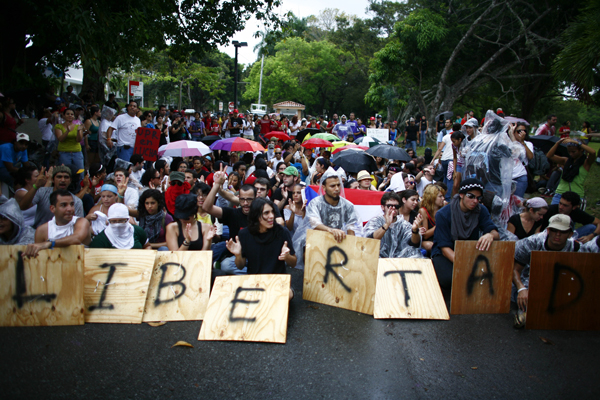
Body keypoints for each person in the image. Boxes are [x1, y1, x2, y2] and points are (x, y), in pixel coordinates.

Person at [512, 214, 580, 327]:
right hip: (530, 283)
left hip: (560, 284)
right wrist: (521, 288)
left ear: (570, 234)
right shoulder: (531, 243)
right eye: (554, 230)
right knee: (531, 311)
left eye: (562, 231)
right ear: (548, 230)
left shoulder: (576, 248)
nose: (557, 234)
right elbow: (514, 269)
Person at [431, 178, 499, 289]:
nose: (475, 201)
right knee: (450, 278)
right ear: (461, 195)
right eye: (471, 196)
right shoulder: (444, 214)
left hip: (471, 250)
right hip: (447, 252)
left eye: (478, 198)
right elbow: (444, 247)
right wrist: (464, 265)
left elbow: (495, 233)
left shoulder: (481, 210)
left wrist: (490, 234)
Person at [203, 169, 256, 275]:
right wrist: (217, 185)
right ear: (238, 199)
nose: (245, 203)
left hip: (257, 256)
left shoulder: (262, 214)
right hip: (237, 257)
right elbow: (207, 207)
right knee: (226, 265)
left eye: (249, 200)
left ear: (255, 199)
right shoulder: (233, 213)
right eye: (242, 200)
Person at [227, 197, 296, 275]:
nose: (272, 216)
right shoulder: (244, 234)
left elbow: (293, 263)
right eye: (266, 213)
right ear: (256, 215)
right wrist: (238, 255)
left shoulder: (282, 232)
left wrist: (287, 257)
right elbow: (240, 266)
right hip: (255, 280)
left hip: (277, 280)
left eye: (272, 212)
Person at [23, 189, 91, 257]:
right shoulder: (42, 230)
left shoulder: (82, 222)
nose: (70, 209)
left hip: (80, 266)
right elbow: (38, 257)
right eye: (64, 205)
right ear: (52, 208)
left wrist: (50, 243)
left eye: (72, 204)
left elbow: (76, 239)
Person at [19, 165, 85, 228]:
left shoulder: (76, 201)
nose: (63, 180)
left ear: (70, 181)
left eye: (66, 177)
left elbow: (78, 226)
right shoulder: (42, 192)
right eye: (59, 177)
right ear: (53, 179)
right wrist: (36, 186)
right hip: (39, 234)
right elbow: (22, 206)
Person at [305, 167, 359, 242]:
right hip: (318, 242)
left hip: (340, 243)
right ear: (324, 187)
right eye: (332, 186)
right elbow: (314, 223)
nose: (337, 189)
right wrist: (331, 230)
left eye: (338, 185)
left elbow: (351, 230)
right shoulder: (315, 203)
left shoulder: (348, 205)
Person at [546, 138, 596, 205]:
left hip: (576, 194)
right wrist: (557, 143)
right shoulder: (566, 160)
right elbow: (549, 156)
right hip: (560, 193)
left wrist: (578, 143)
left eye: (573, 151)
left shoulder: (586, 163)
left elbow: (593, 152)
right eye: (569, 152)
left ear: (581, 149)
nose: (571, 154)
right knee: (555, 214)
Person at [55, 108, 84, 182]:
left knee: (80, 171)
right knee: (65, 172)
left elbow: (78, 140)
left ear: (74, 116)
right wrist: (67, 131)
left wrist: (79, 131)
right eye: (67, 114)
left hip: (77, 152)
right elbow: (60, 139)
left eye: (72, 114)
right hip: (64, 152)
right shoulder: (59, 126)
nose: (70, 116)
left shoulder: (78, 126)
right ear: (63, 115)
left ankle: (80, 187)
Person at [418, 184, 446, 252]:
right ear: (432, 197)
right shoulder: (423, 211)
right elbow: (425, 235)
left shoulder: (444, 208)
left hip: (441, 238)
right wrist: (439, 225)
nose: (443, 198)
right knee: (430, 245)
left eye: (443, 196)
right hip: (428, 241)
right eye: (440, 196)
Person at [509, 123, 534, 198]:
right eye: (519, 131)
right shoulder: (507, 143)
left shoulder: (528, 144)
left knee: (517, 201)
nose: (522, 133)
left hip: (520, 176)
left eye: (524, 131)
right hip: (507, 177)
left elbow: (530, 157)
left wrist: (522, 142)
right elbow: (515, 152)